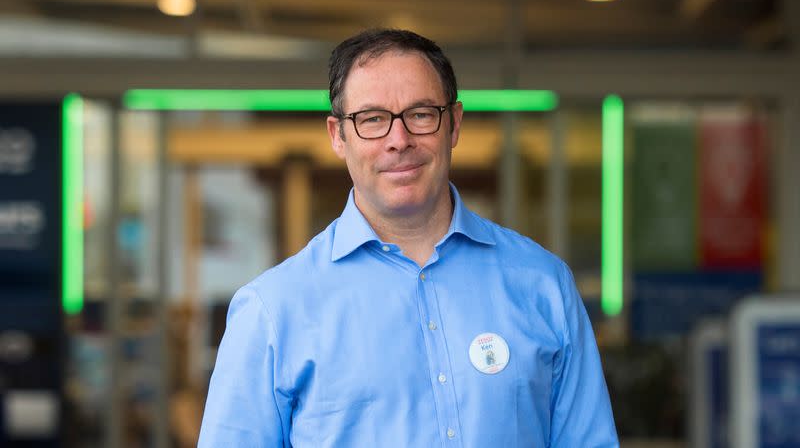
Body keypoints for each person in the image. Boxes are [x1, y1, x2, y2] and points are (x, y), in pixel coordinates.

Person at [198, 28, 618, 447]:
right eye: (372, 119)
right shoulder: (272, 311)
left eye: (420, 114)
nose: (399, 141)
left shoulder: (543, 285)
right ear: (337, 136)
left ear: (453, 124)